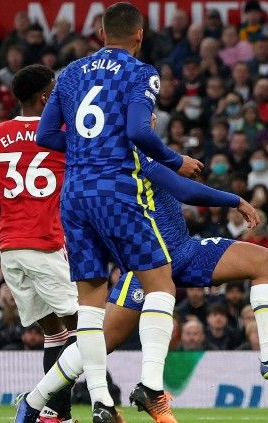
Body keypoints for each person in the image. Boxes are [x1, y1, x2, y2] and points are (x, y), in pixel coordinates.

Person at [17, 134, 268, 422]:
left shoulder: (142, 152)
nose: (148, 120)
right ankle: (34, 401)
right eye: (143, 114)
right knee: (99, 343)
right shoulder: (127, 154)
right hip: (148, 265)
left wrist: (173, 159)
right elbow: (184, 189)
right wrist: (234, 200)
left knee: (264, 261)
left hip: (183, 250)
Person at [33, 4, 202, 422]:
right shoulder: (141, 73)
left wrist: (85, 151)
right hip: (117, 191)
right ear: (140, 35)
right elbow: (140, 131)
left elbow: (44, 134)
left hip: (74, 194)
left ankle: (101, 404)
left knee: (89, 303)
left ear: (101, 32)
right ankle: (150, 384)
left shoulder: (70, 72)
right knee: (161, 284)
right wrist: (174, 158)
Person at [0, 64, 77, 422]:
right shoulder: (63, 133)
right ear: (46, 96)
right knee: (89, 329)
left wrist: (15, 209)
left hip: (10, 248)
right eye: (56, 89)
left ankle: (55, 416)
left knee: (55, 333)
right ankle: (42, 403)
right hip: (45, 243)